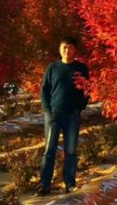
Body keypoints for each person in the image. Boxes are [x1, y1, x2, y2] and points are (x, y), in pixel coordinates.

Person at [38, 36, 89, 195]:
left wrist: (80, 108)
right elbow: (44, 90)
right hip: (53, 115)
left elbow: (87, 90)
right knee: (49, 150)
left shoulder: (81, 68)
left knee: (71, 150)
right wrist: (47, 109)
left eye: (70, 47)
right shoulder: (52, 68)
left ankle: (70, 183)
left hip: (72, 115)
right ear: (60, 49)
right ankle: (44, 184)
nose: (67, 50)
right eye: (64, 47)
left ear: (75, 50)